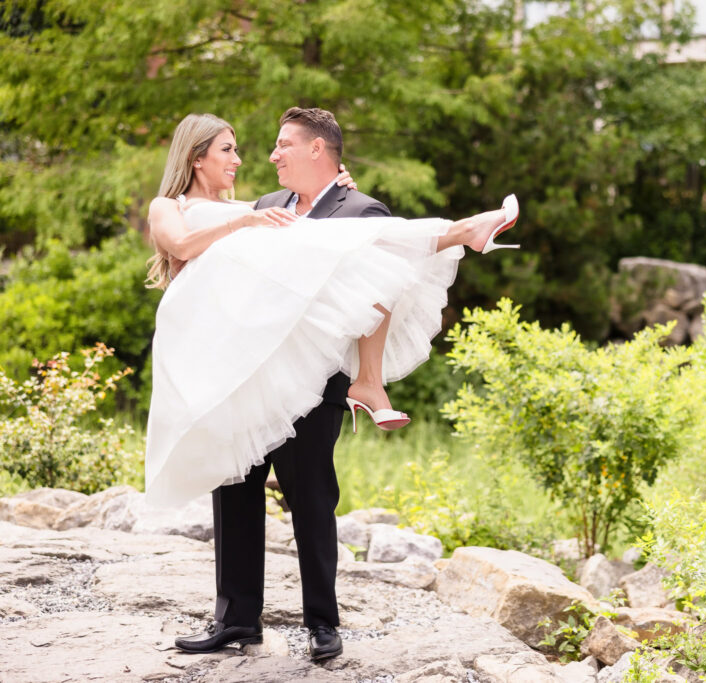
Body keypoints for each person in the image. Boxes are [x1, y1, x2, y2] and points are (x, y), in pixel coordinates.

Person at [143, 111, 517, 662]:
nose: (248, 158)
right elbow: (183, 243)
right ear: (197, 156)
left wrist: (333, 189)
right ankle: (236, 621)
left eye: (271, 146)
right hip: (236, 372)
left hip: (310, 377)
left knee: (312, 497)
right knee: (235, 494)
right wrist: (249, 221)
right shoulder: (242, 209)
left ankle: (323, 624)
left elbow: (350, 248)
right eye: (230, 149)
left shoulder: (310, 208)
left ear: (317, 150)